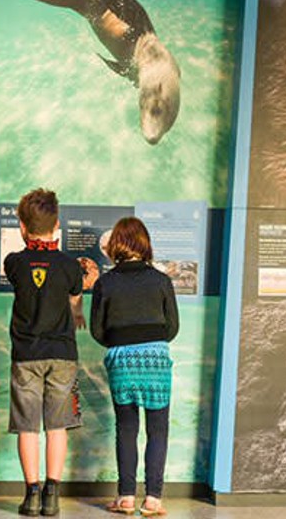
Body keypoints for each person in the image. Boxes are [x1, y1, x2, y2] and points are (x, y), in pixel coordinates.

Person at [89, 217, 179, 517]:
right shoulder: (161, 281)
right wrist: (150, 342)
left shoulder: (105, 283)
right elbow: (173, 327)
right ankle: (152, 500)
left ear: (117, 244)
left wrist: (121, 342)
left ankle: (126, 498)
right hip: (156, 358)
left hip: (121, 360)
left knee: (126, 429)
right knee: (158, 429)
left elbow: (97, 330)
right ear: (144, 244)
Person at [5, 188, 85, 516]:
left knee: (27, 427)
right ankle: (52, 496)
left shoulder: (14, 263)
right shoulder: (70, 266)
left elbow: (30, 274)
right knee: (57, 426)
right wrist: (76, 311)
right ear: (57, 225)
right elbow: (75, 298)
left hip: (26, 355)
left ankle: (31, 495)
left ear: (23, 226)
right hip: (63, 353)